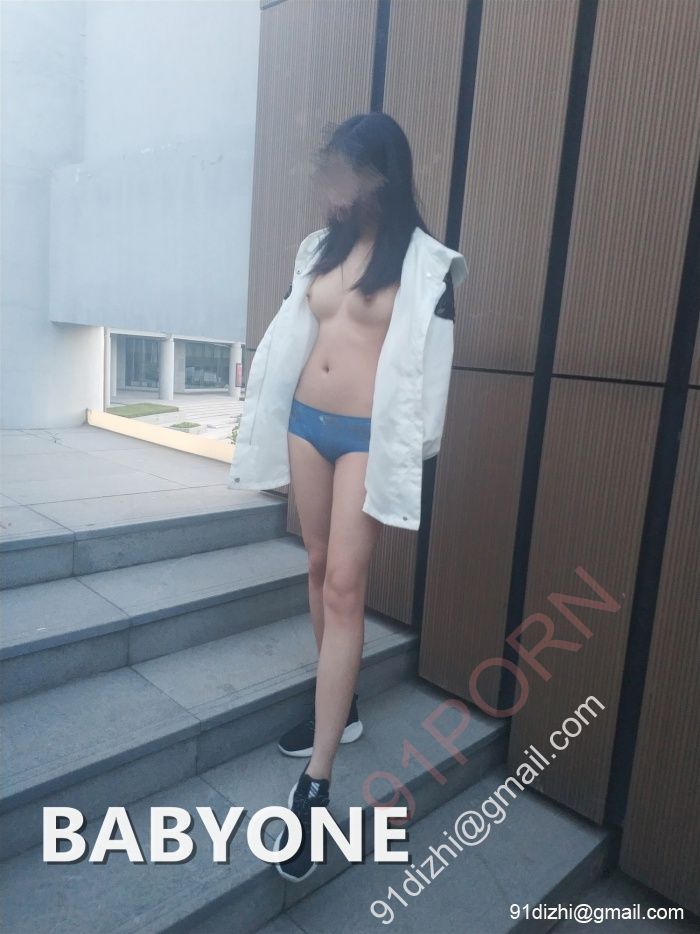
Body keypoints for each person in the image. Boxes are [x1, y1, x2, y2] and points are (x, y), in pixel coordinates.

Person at [232, 113, 467, 882]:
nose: (329, 187)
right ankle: (345, 706)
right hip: (305, 423)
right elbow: (290, 333)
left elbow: (431, 376)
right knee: (315, 565)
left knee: (344, 586)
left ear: (380, 177)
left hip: (368, 437)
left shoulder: (426, 265)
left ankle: (317, 783)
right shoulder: (317, 249)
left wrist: (410, 454)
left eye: (341, 171)